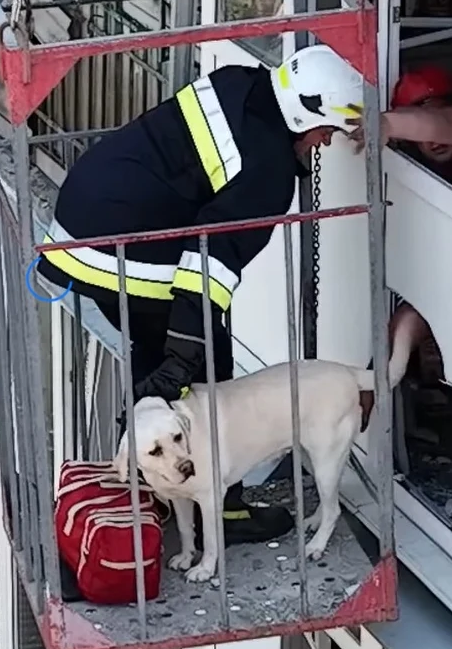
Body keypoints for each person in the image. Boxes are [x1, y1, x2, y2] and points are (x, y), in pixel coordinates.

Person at [38, 44, 365, 546]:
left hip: (83, 217)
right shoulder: (268, 174)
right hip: (118, 250)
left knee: (167, 363)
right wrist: (184, 354)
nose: (325, 142)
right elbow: (207, 265)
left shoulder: (243, 82)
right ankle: (222, 509)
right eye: (327, 130)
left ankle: (160, 483)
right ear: (304, 115)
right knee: (207, 366)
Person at [351, 64, 452, 187]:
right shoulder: (412, 169)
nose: (435, 141)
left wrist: (391, 124)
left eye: (436, 113)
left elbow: (447, 123)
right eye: (421, 134)